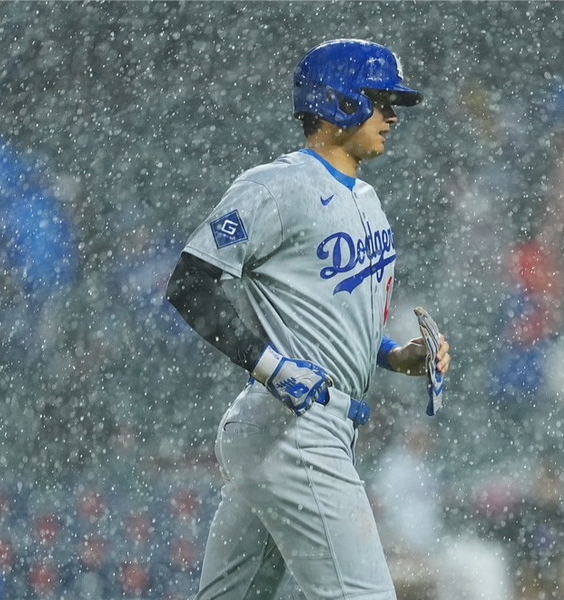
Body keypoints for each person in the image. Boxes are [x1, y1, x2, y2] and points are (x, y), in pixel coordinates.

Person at [166, 39, 451, 600]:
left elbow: (328, 315)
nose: (392, 116)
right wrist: (269, 365)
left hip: (299, 427)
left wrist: (396, 356)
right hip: (295, 428)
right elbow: (190, 283)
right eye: (380, 100)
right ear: (340, 102)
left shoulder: (366, 197)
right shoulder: (276, 186)